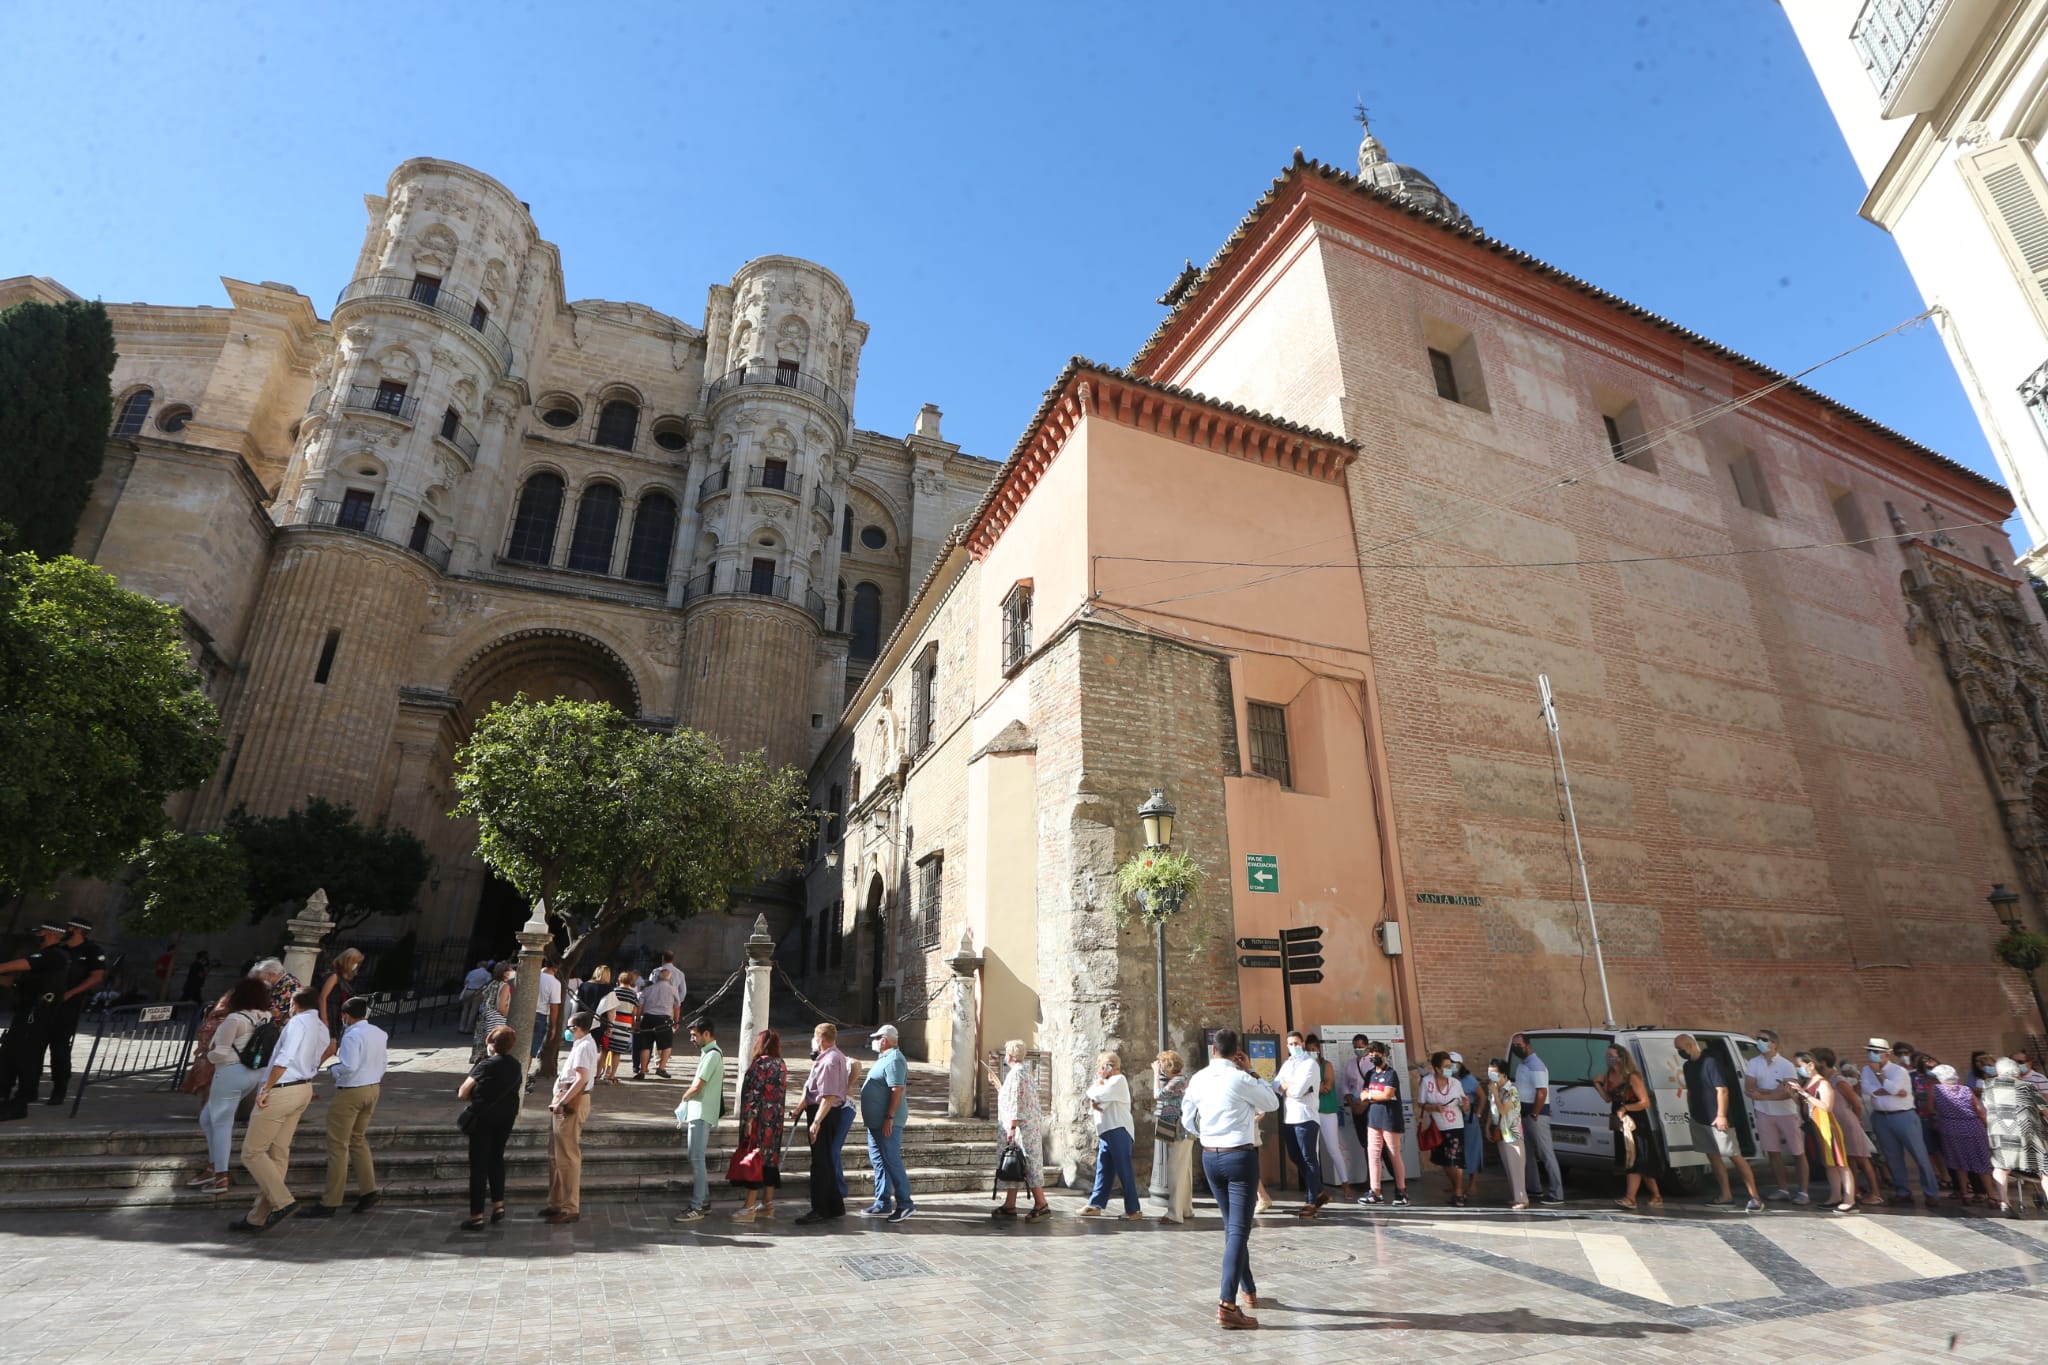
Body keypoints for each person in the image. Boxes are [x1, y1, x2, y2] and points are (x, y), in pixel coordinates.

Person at [1180, 1028, 1280, 1331]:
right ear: (1236, 1051)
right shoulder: (1240, 1077)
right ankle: (1227, 1303)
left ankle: (1247, 1290)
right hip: (1239, 1156)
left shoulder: (1198, 1079)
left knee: (1233, 1227)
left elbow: (1187, 1119)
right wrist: (1249, 1069)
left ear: (1213, 1051)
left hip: (1210, 1155)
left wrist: (1207, 1135)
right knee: (1238, 1229)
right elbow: (1272, 1103)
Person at [230, 987, 330, 1233]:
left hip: (283, 1088)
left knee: (252, 1152)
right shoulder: (321, 1027)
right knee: (278, 1153)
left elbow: (284, 1057)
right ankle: (258, 1216)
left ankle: (283, 1201)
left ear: (295, 1003)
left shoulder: (297, 1023)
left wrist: (267, 1088)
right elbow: (325, 1053)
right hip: (303, 1088)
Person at [303, 995, 387, 1217]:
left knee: (338, 1146)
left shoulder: (352, 1036)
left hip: (352, 1091)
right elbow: (383, 1063)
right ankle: (368, 1189)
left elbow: (349, 1066)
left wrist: (333, 1070)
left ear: (345, 1016)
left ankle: (330, 1201)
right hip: (373, 1088)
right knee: (358, 1139)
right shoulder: (379, 1033)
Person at [193, 977, 276, 1194]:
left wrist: (206, 1054)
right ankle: (213, 1166)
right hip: (253, 1073)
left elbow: (220, 1052)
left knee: (221, 1123)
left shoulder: (234, 1020)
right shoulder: (265, 1017)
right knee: (207, 1118)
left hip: (230, 1072)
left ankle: (220, 1176)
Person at [1674, 1033, 1761, 1212]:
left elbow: (1722, 1090)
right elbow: (1691, 1090)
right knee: (1713, 1157)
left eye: (1680, 1049)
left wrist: (1721, 1115)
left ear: (1690, 1046)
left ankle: (1755, 1197)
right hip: (1700, 1117)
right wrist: (1691, 1112)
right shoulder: (1688, 1066)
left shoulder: (1710, 1063)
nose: (1679, 1052)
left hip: (1716, 1117)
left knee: (1735, 1155)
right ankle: (1725, 1195)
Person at [0, 924, 71, 1117]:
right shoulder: (43, 959)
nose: (37, 937)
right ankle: (4, 1095)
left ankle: (21, 1102)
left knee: (27, 1057)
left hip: (39, 1015)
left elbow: (12, 966)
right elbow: (11, 980)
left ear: (51, 934)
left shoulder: (54, 956)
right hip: (26, 1012)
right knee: (8, 1054)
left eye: (40, 933)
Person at [459, 1025, 522, 1230]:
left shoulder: (485, 1065)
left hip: (484, 1117)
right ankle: (498, 1206)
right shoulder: (515, 1065)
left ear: (492, 1044)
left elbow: (463, 1091)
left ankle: (476, 1215)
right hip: (506, 1116)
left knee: (479, 1165)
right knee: (496, 1158)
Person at [1863, 1037, 1939, 1203]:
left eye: (1876, 1052)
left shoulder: (1899, 1071)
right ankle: (1902, 1191)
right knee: (1892, 1157)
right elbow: (1868, 1089)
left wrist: (1880, 1076)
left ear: (1886, 1054)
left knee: (1920, 1155)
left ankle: (1931, 1193)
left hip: (1903, 1115)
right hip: (1881, 1116)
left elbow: (1898, 1090)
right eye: (1870, 1052)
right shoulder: (1865, 1070)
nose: (1872, 1055)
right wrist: (1887, 1089)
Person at [541, 1011, 599, 1225]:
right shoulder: (582, 1044)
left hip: (571, 1101)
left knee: (567, 1155)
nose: (568, 1031)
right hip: (565, 1098)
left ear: (578, 1028)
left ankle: (569, 1206)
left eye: (570, 1027)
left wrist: (564, 1101)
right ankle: (556, 1201)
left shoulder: (584, 1046)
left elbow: (581, 1078)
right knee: (555, 1154)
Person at [795, 1021, 856, 1224]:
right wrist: (798, 1110)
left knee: (820, 1163)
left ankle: (820, 1207)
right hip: (822, 1111)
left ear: (820, 1038)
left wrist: (816, 1121)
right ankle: (834, 1205)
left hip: (824, 1113)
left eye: (814, 1035)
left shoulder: (830, 1060)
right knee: (825, 1161)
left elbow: (828, 1096)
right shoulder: (832, 1057)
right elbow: (812, 1090)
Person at [42, 920, 107, 1107]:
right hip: (45, 1003)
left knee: (59, 1048)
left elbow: (97, 976)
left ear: (79, 930)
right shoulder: (59, 948)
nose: (66, 930)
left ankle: (59, 1089)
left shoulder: (92, 950)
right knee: (33, 1046)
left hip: (68, 1006)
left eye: (70, 928)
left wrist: (70, 993)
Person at [1744, 1028, 1808, 1205]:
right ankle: (1783, 1188)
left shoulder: (1786, 1065)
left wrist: (1764, 1094)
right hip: (1764, 1112)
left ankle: (1803, 1191)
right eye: (1758, 1039)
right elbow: (1749, 1087)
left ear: (1774, 1044)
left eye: (1763, 1039)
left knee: (1797, 1152)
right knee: (1773, 1152)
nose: (1759, 1042)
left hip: (1786, 1113)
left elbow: (1788, 1092)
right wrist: (1772, 1092)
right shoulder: (1754, 1062)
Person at [730, 1029, 787, 1221]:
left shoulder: (760, 1064)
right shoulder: (781, 1064)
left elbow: (754, 1093)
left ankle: (749, 1207)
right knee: (770, 1160)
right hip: (775, 1121)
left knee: (755, 1159)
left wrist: (749, 1119)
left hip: (759, 1122)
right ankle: (768, 1203)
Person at [1596, 1042, 1662, 1210]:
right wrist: (1597, 1084)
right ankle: (1656, 1195)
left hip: (1635, 1121)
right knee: (1636, 1161)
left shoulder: (1632, 1076)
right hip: (1620, 1121)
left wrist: (1625, 1108)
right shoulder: (1608, 1075)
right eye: (1607, 1055)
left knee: (1636, 1158)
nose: (1609, 1058)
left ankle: (1630, 1198)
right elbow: (1607, 1098)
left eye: (1612, 1055)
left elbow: (1645, 1102)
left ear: (1621, 1057)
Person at [672, 1017, 725, 1222]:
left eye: (695, 1035)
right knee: (696, 1158)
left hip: (701, 1112)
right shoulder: (709, 1053)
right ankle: (704, 1201)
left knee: (696, 1159)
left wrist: (684, 1097)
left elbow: (698, 1086)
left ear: (706, 1034)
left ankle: (697, 1206)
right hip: (698, 1111)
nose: (692, 1039)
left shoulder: (712, 1054)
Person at [858, 1023, 913, 1222]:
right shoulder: (884, 1058)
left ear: (884, 1040)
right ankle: (882, 1203)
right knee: (879, 1161)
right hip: (875, 1122)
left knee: (891, 1160)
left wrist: (889, 1117)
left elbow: (896, 1090)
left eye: (876, 1038)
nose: (873, 1042)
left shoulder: (895, 1060)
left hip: (888, 1121)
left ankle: (905, 1203)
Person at [1792, 1049, 1856, 1213]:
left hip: (1828, 1127)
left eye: (1799, 1065)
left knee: (1840, 1163)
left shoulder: (1823, 1083)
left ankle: (1849, 1198)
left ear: (1810, 1065)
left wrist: (1804, 1094)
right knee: (1829, 1164)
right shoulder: (1807, 1083)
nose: (1797, 1069)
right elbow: (1804, 1103)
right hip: (1815, 1127)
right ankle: (1835, 1196)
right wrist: (1793, 1093)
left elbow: (1827, 1106)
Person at [1081, 1050, 1142, 1219]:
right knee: (1104, 1169)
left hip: (1118, 1130)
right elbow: (1097, 1103)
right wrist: (1098, 1089)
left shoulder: (1118, 1080)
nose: (1099, 1070)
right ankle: (1096, 1204)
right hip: (1106, 1131)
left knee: (1124, 1170)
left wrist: (1099, 1084)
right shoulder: (1107, 1083)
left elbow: (1096, 1096)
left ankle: (1133, 1209)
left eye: (1101, 1066)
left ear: (1109, 1067)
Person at [1984, 1056, 2048, 1217]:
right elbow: (2044, 1109)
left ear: (1998, 1072)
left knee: (2001, 1167)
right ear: (2017, 1071)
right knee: (2044, 1169)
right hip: (2027, 1132)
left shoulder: (1988, 1086)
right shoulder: (2026, 1086)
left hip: (1999, 1132)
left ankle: (2004, 1202)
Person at [1271, 1031, 1324, 1216]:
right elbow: (1275, 1086)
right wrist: (1289, 1086)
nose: (1294, 1046)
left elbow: (1297, 1091)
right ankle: (1318, 1190)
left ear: (1302, 1043)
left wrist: (1288, 1086)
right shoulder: (1287, 1064)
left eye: (1296, 1043)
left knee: (1309, 1158)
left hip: (1306, 1117)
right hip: (1289, 1117)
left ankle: (1311, 1201)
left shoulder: (1310, 1064)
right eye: (1290, 1044)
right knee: (1295, 1157)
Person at [1510, 1034, 1564, 1204]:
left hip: (1536, 1115)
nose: (1516, 1048)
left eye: (1518, 1044)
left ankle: (1557, 1193)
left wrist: (1534, 1113)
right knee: (1528, 1154)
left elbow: (1542, 1092)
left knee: (1546, 1153)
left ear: (1527, 1045)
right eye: (1514, 1045)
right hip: (1523, 1113)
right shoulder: (1523, 1065)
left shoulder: (1536, 1066)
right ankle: (1534, 1188)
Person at [1931, 1062, 1994, 1204]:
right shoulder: (1966, 1089)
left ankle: (1965, 1194)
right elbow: (1979, 1109)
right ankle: (1991, 1196)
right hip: (1974, 1127)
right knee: (1982, 1161)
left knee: (1959, 1162)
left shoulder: (1936, 1090)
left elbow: (1930, 1108)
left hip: (1951, 1128)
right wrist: (1986, 1125)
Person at [1356, 1038, 1409, 1206]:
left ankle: (1401, 1191)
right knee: (1373, 1154)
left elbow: (1387, 1095)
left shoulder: (1391, 1074)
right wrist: (1372, 1096)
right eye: (1370, 1053)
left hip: (1390, 1119)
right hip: (1373, 1119)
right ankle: (1375, 1191)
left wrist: (1371, 1096)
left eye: (1376, 1052)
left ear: (1384, 1055)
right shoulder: (1370, 1074)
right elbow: (1362, 1095)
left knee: (1394, 1154)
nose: (1373, 1056)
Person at [1419, 1049, 1469, 1206]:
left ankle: (1459, 1193)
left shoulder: (1456, 1083)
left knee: (1456, 1159)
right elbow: (1421, 1103)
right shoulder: (1427, 1082)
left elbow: (1464, 1105)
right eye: (1446, 1066)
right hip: (1437, 1127)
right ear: (1437, 1068)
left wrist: (1466, 1105)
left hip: (1455, 1125)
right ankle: (1457, 1188)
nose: (1449, 1069)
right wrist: (1433, 1107)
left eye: (1450, 1065)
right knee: (1444, 1160)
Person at [1833, 1058, 1883, 1207]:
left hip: (1853, 1122)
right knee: (1851, 1159)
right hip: (1845, 1123)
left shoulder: (1842, 1081)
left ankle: (1876, 1193)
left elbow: (1857, 1103)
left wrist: (1858, 1120)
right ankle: (1854, 1191)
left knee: (1863, 1158)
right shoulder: (1838, 1080)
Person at [1906, 1046, 1953, 1196]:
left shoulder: (1943, 1077)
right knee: (1932, 1149)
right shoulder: (1917, 1079)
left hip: (1944, 1117)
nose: (1929, 1066)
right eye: (1925, 1064)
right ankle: (1943, 1175)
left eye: (1931, 1063)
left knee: (1948, 1149)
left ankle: (1957, 1179)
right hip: (1925, 1118)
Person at [1153, 1049, 1193, 1223]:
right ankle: (1185, 1208)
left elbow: (1158, 1095)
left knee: (1175, 1169)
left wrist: (1155, 1075)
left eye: (1161, 1064)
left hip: (1178, 1129)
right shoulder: (1185, 1080)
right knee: (1185, 1170)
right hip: (1186, 1128)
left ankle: (1174, 1213)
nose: (1159, 1067)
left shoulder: (1176, 1081)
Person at [1485, 1058, 1528, 1209]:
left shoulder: (1512, 1090)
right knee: (1508, 1166)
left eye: (1494, 1073)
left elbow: (1503, 1109)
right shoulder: (1494, 1089)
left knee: (1516, 1165)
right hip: (1500, 1131)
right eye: (1490, 1073)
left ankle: (1522, 1199)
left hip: (1512, 1132)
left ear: (1503, 1074)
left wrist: (1496, 1094)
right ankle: (1516, 1196)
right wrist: (1488, 1125)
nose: (1492, 1077)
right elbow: (1493, 1110)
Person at [635, 965, 681, 1080]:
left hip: (648, 1018)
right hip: (664, 1019)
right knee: (666, 1045)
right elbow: (677, 1007)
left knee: (645, 1046)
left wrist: (637, 1019)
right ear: (669, 978)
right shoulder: (673, 990)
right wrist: (676, 1021)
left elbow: (640, 1005)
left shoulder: (648, 989)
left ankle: (642, 1069)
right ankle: (661, 1067)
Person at [598, 970, 639, 1085]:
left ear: (619, 980)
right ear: (631, 981)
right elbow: (635, 1011)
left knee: (604, 1051)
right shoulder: (633, 995)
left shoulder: (613, 992)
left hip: (611, 1023)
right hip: (624, 1026)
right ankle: (611, 1076)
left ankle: (597, 1074)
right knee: (617, 1053)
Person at [528, 961, 564, 1087]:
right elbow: (554, 1006)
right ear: (557, 967)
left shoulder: (531, 974)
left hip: (525, 1011)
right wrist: (553, 1026)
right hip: (540, 1015)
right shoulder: (554, 983)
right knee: (530, 1051)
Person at [1454, 1052, 1485, 1195]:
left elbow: (1482, 1097)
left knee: (1472, 1149)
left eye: (1455, 1064)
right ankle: (1456, 1183)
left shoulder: (1469, 1079)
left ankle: (1473, 1183)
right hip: (1453, 1118)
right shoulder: (1447, 1079)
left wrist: (1477, 1113)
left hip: (1468, 1117)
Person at [316, 947, 364, 1039]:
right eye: (355, 962)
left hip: (337, 1013)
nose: (357, 965)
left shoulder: (347, 978)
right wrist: (324, 1018)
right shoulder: (334, 976)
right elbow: (323, 997)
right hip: (329, 1011)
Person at [471, 962, 511, 1064]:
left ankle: (480, 1065)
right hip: (496, 1018)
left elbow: (482, 996)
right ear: (505, 973)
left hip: (485, 1016)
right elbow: (501, 1007)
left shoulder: (491, 983)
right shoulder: (505, 986)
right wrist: (509, 1016)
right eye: (510, 970)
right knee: (494, 1046)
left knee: (484, 1045)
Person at [251, 957, 303, 1021]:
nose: (262, 982)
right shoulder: (285, 980)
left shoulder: (287, 985)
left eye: (263, 978)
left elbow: (276, 1013)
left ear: (271, 974)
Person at [458, 959, 492, 1033]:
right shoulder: (487, 974)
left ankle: (461, 1027)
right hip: (478, 992)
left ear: (479, 965)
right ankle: (468, 1028)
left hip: (468, 990)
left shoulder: (472, 972)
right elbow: (488, 984)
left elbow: (466, 981)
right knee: (473, 1011)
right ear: (486, 966)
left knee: (465, 1009)